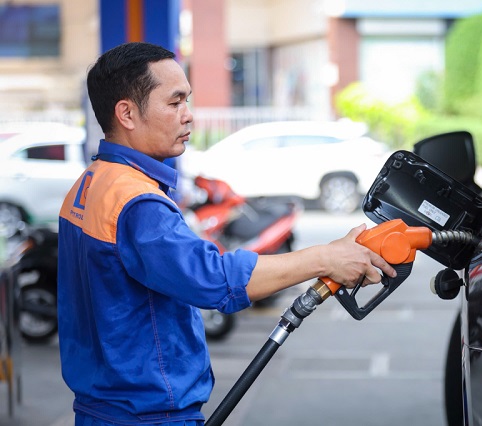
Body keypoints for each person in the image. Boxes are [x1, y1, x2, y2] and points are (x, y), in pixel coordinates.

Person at [57, 41, 395, 426]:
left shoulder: (90, 184)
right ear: (127, 113)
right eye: (175, 102)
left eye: (187, 101)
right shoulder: (136, 203)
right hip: (146, 416)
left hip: (100, 408)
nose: (188, 116)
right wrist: (326, 258)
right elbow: (215, 280)